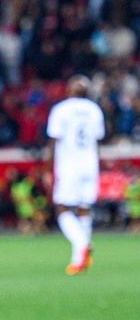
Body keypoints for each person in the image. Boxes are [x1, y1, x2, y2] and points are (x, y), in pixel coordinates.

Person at [46, 75, 105, 275]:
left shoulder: (61, 109)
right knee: (84, 208)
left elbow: (53, 140)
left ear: (69, 90)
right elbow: (98, 140)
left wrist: (48, 169)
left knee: (62, 208)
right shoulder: (94, 110)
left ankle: (82, 244)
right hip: (90, 165)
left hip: (69, 165)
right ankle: (79, 260)